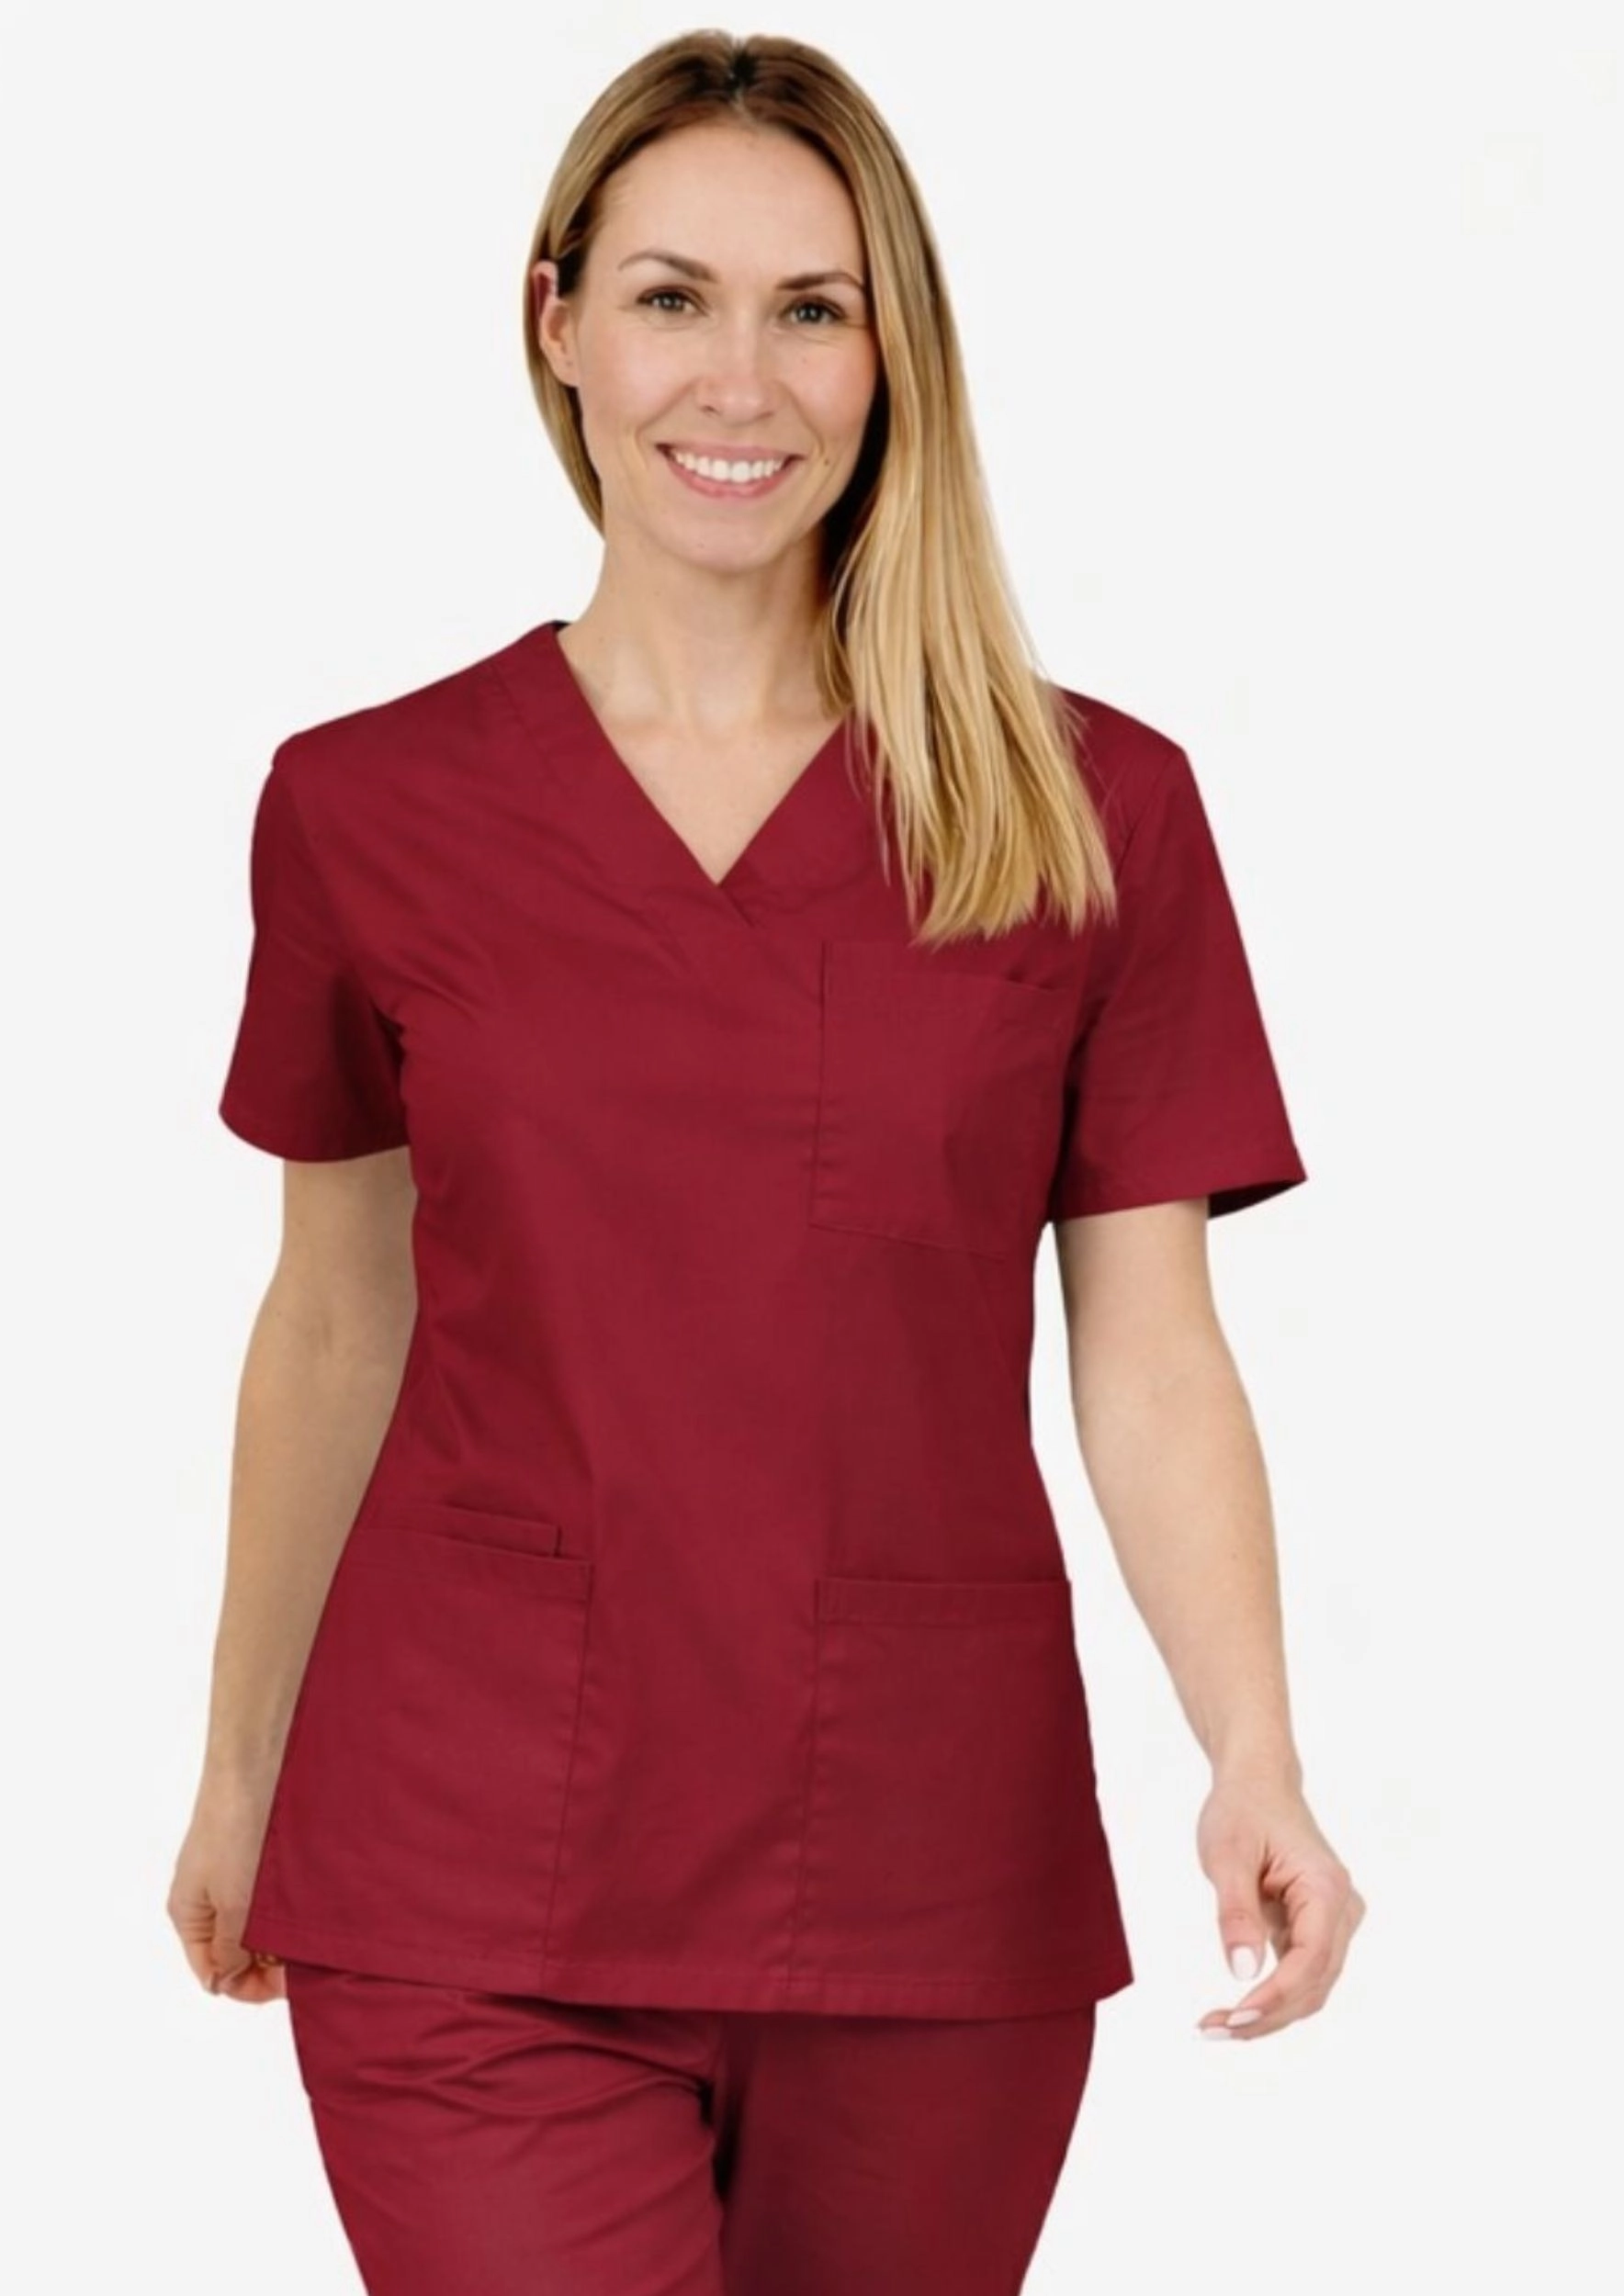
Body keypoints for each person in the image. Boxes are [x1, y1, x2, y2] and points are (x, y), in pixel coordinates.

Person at [168, 27, 1364, 2295]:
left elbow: (1146, 1347)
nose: (740, 379)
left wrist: (1250, 1745)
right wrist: (240, 1761)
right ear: (557, 324)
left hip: (920, 1860)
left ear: (892, 354)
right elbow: (335, 1311)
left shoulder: (1087, 813)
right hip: (461, 1853)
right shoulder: (365, 804)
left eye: (812, 307)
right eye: (670, 297)